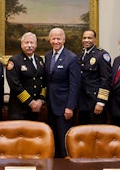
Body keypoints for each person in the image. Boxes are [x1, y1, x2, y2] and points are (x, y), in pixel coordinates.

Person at [44, 27, 81, 158]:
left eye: (58, 38)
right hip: (51, 106)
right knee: (53, 141)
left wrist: (70, 107)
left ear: (64, 39)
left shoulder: (71, 58)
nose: (56, 41)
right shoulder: (48, 56)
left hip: (65, 107)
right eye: (53, 38)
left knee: (64, 142)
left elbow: (75, 85)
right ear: (50, 40)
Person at [6, 32, 46, 120]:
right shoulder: (14, 61)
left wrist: (40, 100)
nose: (29, 45)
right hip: (19, 110)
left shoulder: (39, 60)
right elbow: (15, 85)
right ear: (21, 44)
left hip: (35, 109)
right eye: (26, 42)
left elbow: (43, 82)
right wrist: (30, 102)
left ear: (36, 45)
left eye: (32, 43)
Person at [77, 30, 112, 125]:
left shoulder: (101, 55)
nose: (86, 40)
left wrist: (101, 102)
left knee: (97, 135)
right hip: (83, 103)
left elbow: (106, 80)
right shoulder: (80, 55)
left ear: (95, 40)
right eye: (84, 38)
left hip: (95, 103)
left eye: (89, 38)